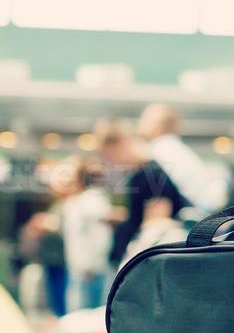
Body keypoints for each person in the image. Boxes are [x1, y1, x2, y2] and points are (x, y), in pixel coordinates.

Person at [98, 122, 190, 272]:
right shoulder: (141, 174)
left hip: (137, 265)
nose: (111, 162)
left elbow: (156, 224)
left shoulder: (152, 174)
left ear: (120, 144)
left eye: (109, 155)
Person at [138, 103, 223, 214]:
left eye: (145, 119)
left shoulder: (156, 151)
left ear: (158, 125)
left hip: (185, 216)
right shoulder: (180, 150)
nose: (140, 123)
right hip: (199, 214)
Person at [54, 159, 114, 311]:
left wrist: (88, 264)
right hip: (79, 268)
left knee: (88, 317)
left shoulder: (91, 201)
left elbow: (99, 236)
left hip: (90, 269)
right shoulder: (74, 204)